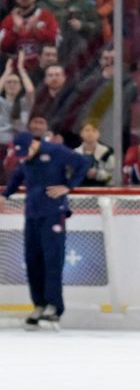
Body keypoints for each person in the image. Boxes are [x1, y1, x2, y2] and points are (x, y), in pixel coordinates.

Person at [0, 130, 90, 327]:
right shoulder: (25, 158)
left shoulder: (56, 150)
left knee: (52, 259)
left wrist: (68, 186)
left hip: (53, 212)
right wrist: (5, 195)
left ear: (34, 143)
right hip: (32, 213)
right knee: (32, 259)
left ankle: (54, 305)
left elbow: (83, 163)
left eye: (26, 152)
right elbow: (17, 176)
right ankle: (38, 303)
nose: (24, 157)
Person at [74, 119, 114, 187]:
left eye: (94, 130)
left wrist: (97, 173)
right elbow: (69, 174)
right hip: (79, 189)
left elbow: (112, 175)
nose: (90, 133)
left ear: (99, 134)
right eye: (87, 130)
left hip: (103, 189)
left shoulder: (107, 152)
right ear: (81, 133)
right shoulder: (75, 153)